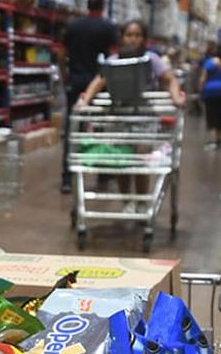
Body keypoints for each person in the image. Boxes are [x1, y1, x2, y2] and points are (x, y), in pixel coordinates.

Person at [78, 20, 186, 213]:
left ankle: (142, 201)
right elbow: (98, 82)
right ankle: (127, 200)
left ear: (144, 39)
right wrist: (85, 100)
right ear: (123, 37)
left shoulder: (151, 59)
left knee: (141, 160)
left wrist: (176, 96)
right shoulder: (112, 61)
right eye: (129, 34)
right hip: (119, 119)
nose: (133, 39)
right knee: (123, 161)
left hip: (144, 119)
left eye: (137, 35)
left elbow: (169, 79)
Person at [60, 0, 119, 193]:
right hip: (100, 84)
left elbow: (61, 53)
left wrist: (64, 73)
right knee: (101, 127)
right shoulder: (108, 28)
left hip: (76, 83)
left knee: (73, 128)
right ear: (103, 6)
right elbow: (113, 56)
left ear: (87, 4)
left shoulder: (74, 26)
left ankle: (67, 178)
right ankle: (102, 171)